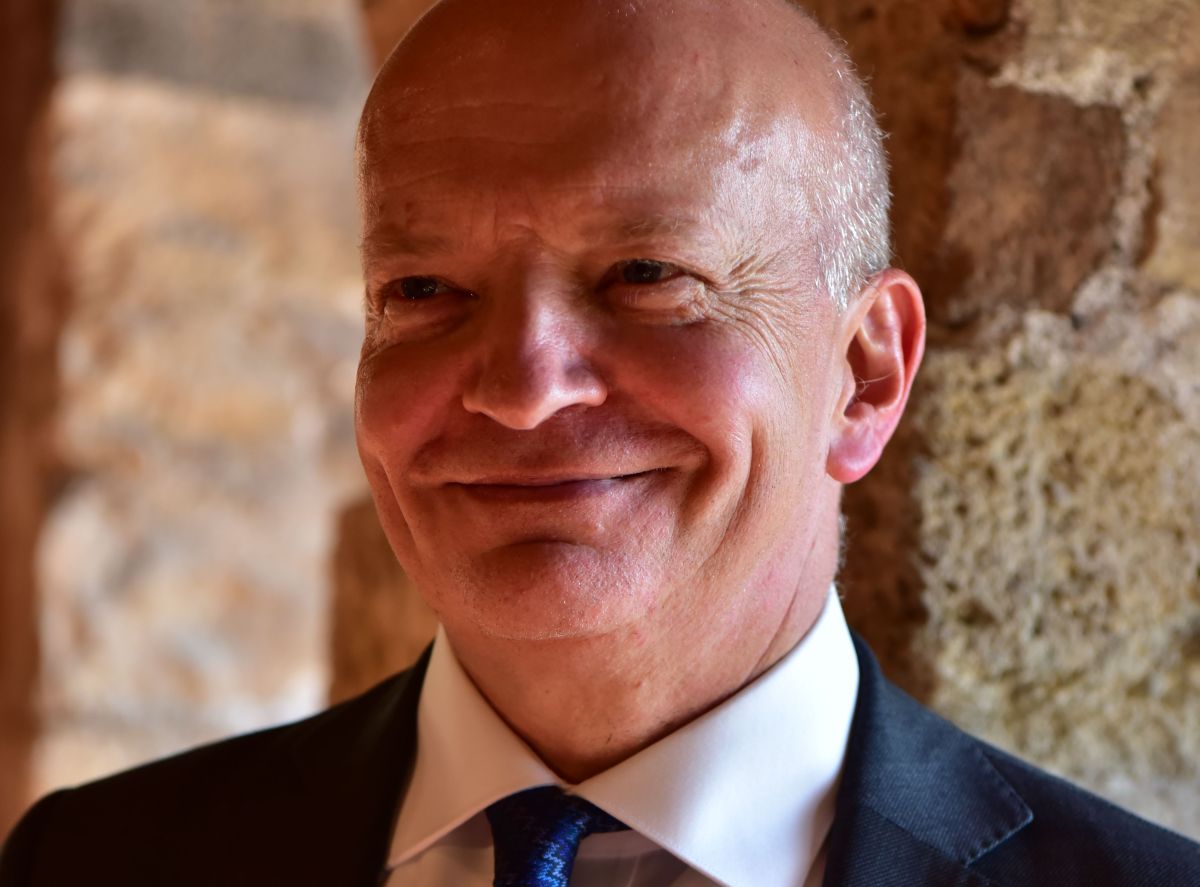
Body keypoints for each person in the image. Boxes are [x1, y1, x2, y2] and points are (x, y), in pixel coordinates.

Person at [3, 0, 1199, 884]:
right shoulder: (97, 861)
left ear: (864, 373)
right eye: (424, 289)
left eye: (645, 274)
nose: (524, 389)